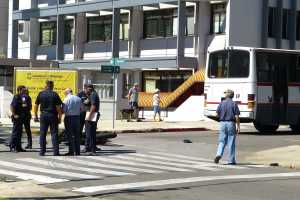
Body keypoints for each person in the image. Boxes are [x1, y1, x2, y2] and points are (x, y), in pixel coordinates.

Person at [34, 80, 63, 156]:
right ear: (52, 86)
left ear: (46, 86)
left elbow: (36, 105)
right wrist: (60, 117)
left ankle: (42, 151)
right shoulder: (55, 94)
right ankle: (56, 152)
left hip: (43, 115)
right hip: (53, 115)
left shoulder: (41, 94)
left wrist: (36, 116)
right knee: (54, 134)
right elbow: (58, 107)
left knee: (42, 134)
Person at [214, 89, 240, 165]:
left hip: (222, 123)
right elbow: (237, 116)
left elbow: (216, 114)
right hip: (231, 123)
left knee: (222, 141)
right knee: (231, 142)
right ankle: (231, 160)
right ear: (232, 95)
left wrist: (221, 116)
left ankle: (218, 154)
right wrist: (238, 127)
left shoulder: (221, 103)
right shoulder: (234, 104)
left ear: (226, 95)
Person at [63, 88, 82, 156]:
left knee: (70, 135)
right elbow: (81, 108)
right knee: (77, 135)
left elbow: (64, 110)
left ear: (67, 92)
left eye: (65, 92)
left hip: (69, 118)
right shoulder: (78, 98)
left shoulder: (66, 99)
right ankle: (77, 151)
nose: (64, 94)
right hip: (77, 118)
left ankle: (71, 151)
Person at [9, 85, 26, 152]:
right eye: (23, 90)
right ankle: (13, 146)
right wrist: (14, 114)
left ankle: (19, 147)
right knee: (15, 133)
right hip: (17, 117)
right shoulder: (16, 97)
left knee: (19, 133)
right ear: (19, 90)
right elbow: (12, 106)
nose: (24, 91)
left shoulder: (22, 97)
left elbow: (23, 105)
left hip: (21, 117)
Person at [84, 84, 100, 155]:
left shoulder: (93, 95)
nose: (85, 90)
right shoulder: (92, 94)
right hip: (92, 115)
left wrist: (89, 115)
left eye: (86, 89)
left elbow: (93, 106)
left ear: (89, 88)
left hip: (92, 115)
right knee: (90, 132)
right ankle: (91, 149)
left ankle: (92, 150)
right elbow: (88, 103)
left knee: (90, 133)